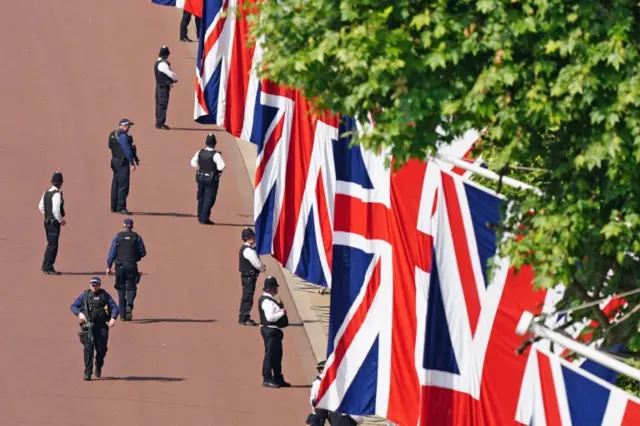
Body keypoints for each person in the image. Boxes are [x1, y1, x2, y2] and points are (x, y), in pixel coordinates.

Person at [70, 277, 119, 381]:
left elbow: (114, 307)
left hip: (101, 326)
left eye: (96, 285)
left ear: (100, 285)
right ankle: (87, 372)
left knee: (102, 349)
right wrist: (79, 314)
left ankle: (98, 364)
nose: (94, 287)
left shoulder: (104, 295)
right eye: (92, 285)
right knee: (88, 349)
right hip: (88, 326)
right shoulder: (85, 295)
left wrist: (113, 318)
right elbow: (73, 306)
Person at [106, 218, 147, 321]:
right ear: (132, 226)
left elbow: (112, 253)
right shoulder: (136, 237)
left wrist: (108, 266)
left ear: (124, 225)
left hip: (120, 267)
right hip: (132, 265)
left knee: (120, 289)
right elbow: (143, 252)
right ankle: (129, 304)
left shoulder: (118, 237)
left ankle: (123, 315)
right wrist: (136, 257)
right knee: (132, 288)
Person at [307, 360, 364, 425]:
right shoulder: (342, 380)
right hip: (345, 414)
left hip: (332, 411)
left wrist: (314, 409)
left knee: (315, 417)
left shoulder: (317, 382)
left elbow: (313, 399)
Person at [258, 276, 291, 388]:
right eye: (275, 287)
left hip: (274, 331)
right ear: (272, 288)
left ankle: (277, 377)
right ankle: (267, 378)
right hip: (270, 330)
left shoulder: (269, 300)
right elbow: (270, 318)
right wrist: (282, 312)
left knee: (277, 356)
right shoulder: (267, 302)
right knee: (270, 355)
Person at [190, 133, 225, 224]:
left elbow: (193, 163)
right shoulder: (216, 155)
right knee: (209, 198)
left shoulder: (200, 152)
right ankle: (204, 218)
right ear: (215, 143)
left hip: (200, 177)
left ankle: (200, 216)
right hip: (211, 179)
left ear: (206, 143)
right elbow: (221, 166)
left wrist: (201, 166)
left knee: (201, 197)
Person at [38, 171, 66, 275]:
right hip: (54, 223)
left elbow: (40, 207)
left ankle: (45, 265)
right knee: (53, 245)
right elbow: (56, 210)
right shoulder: (57, 195)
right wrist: (60, 220)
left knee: (50, 244)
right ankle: (48, 267)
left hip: (46, 221)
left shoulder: (46, 193)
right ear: (60, 183)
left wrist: (47, 214)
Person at [108, 118, 138, 215]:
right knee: (123, 185)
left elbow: (110, 146)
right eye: (128, 126)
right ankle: (121, 207)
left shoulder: (112, 134)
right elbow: (127, 150)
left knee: (115, 183)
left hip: (114, 161)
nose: (129, 128)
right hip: (122, 162)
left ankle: (114, 206)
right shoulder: (123, 137)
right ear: (124, 126)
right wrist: (132, 162)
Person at [238, 227, 266, 326]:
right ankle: (244, 317)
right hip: (249, 277)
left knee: (247, 296)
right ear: (249, 238)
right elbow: (257, 264)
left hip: (246, 276)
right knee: (248, 297)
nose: (254, 239)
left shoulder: (245, 249)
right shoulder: (249, 251)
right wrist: (263, 268)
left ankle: (244, 316)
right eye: (253, 237)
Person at [154, 45, 178, 130]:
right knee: (162, 104)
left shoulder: (159, 61)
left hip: (159, 86)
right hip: (163, 87)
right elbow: (171, 74)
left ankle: (159, 122)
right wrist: (175, 78)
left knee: (159, 104)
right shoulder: (163, 64)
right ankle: (160, 123)